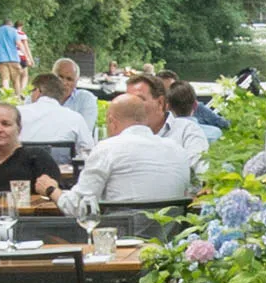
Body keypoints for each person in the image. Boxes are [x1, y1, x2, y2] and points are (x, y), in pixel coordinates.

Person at [68, 74, 204, 223]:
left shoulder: (185, 132)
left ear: (160, 103)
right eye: (128, 98)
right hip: (166, 233)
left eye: (139, 99)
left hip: (136, 233)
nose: (132, 104)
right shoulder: (116, 145)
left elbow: (202, 176)